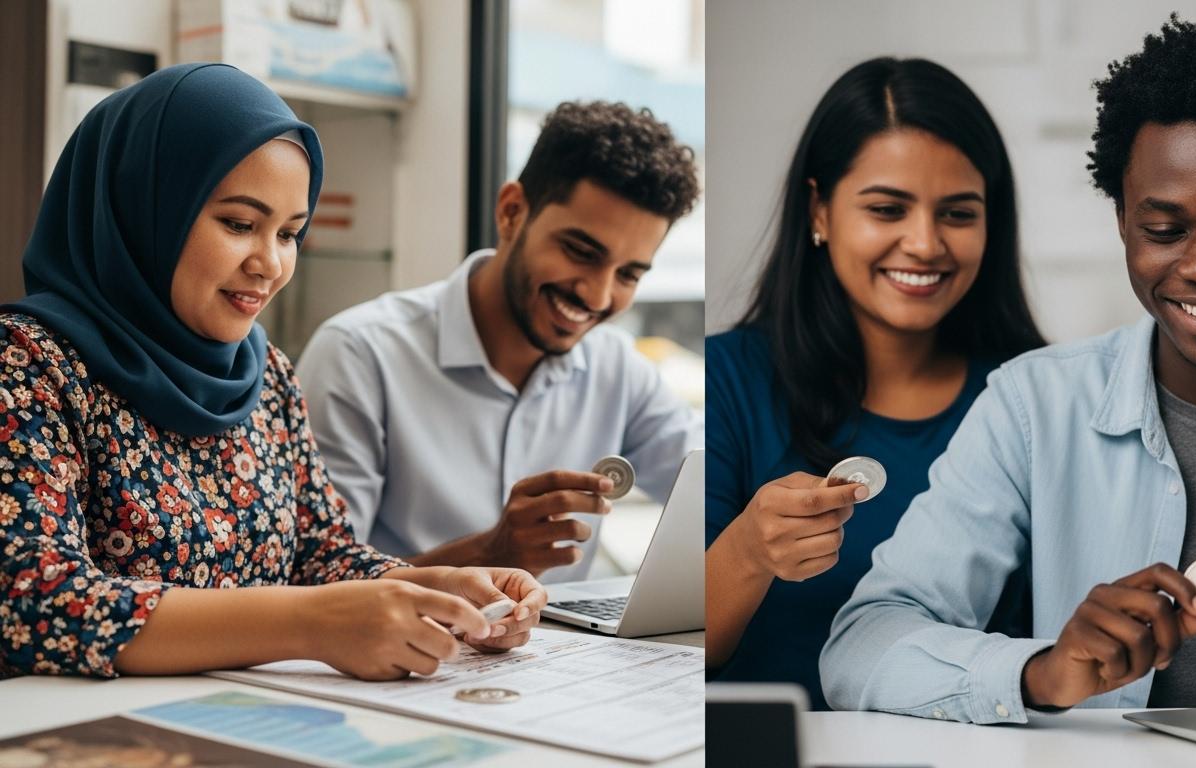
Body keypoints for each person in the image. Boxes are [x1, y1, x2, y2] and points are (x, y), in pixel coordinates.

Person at [822, 16, 1196, 722]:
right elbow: (862, 646)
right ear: (1123, 223)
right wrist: (1041, 672)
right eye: (1164, 230)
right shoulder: (1035, 407)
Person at [0, 63, 544, 680]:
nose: (270, 264)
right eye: (239, 224)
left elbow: (318, 553)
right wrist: (311, 624)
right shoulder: (28, 364)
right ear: (142, 208)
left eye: (290, 233)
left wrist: (434, 592)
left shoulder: (267, 374)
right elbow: (33, 602)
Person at [705, 57, 1047, 709]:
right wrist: (749, 551)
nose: (924, 243)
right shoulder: (726, 378)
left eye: (958, 213)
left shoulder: (1035, 396)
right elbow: (674, 647)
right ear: (820, 211)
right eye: (887, 208)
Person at [296, 101, 702, 582]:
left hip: (574, 653)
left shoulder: (618, 369)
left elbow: (715, 489)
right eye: (580, 252)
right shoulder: (359, 356)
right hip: (411, 654)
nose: (598, 294)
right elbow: (316, 585)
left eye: (629, 274)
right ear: (512, 212)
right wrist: (490, 552)